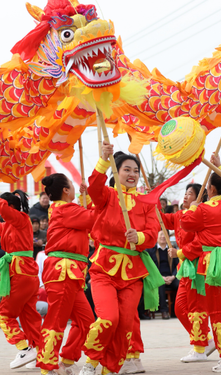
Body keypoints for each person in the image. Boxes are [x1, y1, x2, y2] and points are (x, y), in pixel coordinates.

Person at [78, 144, 161, 375]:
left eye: (135, 170)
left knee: (126, 323)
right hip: (104, 268)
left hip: (134, 272)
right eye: (126, 169)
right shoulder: (108, 195)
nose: (132, 174)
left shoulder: (147, 203)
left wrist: (140, 236)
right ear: (117, 173)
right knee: (109, 318)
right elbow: (94, 188)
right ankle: (91, 362)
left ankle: (110, 368)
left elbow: (153, 235)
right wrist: (103, 161)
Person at [180, 155, 221, 373]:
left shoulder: (204, 210)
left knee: (219, 312)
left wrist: (193, 206)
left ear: (211, 189)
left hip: (215, 264)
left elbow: (186, 223)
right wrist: (218, 166)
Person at [34, 174, 96, 375]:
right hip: (63, 270)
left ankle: (68, 359)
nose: (75, 188)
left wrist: (86, 199)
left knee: (86, 320)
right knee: (56, 320)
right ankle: (47, 365)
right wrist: (95, 198)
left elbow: (85, 215)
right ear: (66, 191)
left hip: (70, 272)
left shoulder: (64, 209)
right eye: (72, 185)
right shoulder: (66, 209)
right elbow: (92, 218)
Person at [0, 189, 43, 369]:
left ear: (9, 208)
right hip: (25, 273)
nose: (1, 214)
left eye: (3, 210)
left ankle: (24, 348)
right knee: (30, 317)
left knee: (4, 316)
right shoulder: (10, 224)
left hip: (21, 273)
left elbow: (3, 210)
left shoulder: (21, 219)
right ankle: (41, 352)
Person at [159, 183, 217, 363]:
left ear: (200, 198)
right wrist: (151, 201)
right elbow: (160, 219)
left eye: (190, 194)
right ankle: (206, 340)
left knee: (196, 308)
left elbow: (202, 242)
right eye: (185, 193)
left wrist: (179, 253)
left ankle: (199, 349)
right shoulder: (178, 215)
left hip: (198, 265)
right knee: (180, 308)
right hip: (184, 268)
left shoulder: (203, 215)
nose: (185, 196)